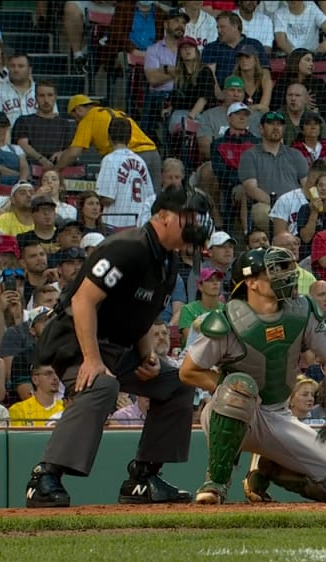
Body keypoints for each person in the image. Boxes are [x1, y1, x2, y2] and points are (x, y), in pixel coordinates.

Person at [24, 185, 214, 508]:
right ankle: (45, 476)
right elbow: (84, 301)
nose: (195, 223)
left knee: (180, 381)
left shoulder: (166, 263)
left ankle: (143, 477)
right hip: (74, 340)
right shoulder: (128, 247)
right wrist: (91, 359)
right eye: (188, 216)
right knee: (103, 385)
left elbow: (142, 315)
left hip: (118, 348)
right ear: (164, 216)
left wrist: (148, 355)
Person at [179, 247, 326, 504]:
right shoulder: (227, 320)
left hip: (278, 414)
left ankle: (266, 468)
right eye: (274, 272)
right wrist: (227, 389)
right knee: (239, 386)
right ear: (251, 282)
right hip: (230, 412)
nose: (286, 276)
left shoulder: (302, 311)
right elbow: (188, 371)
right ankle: (216, 483)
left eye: (286, 269)